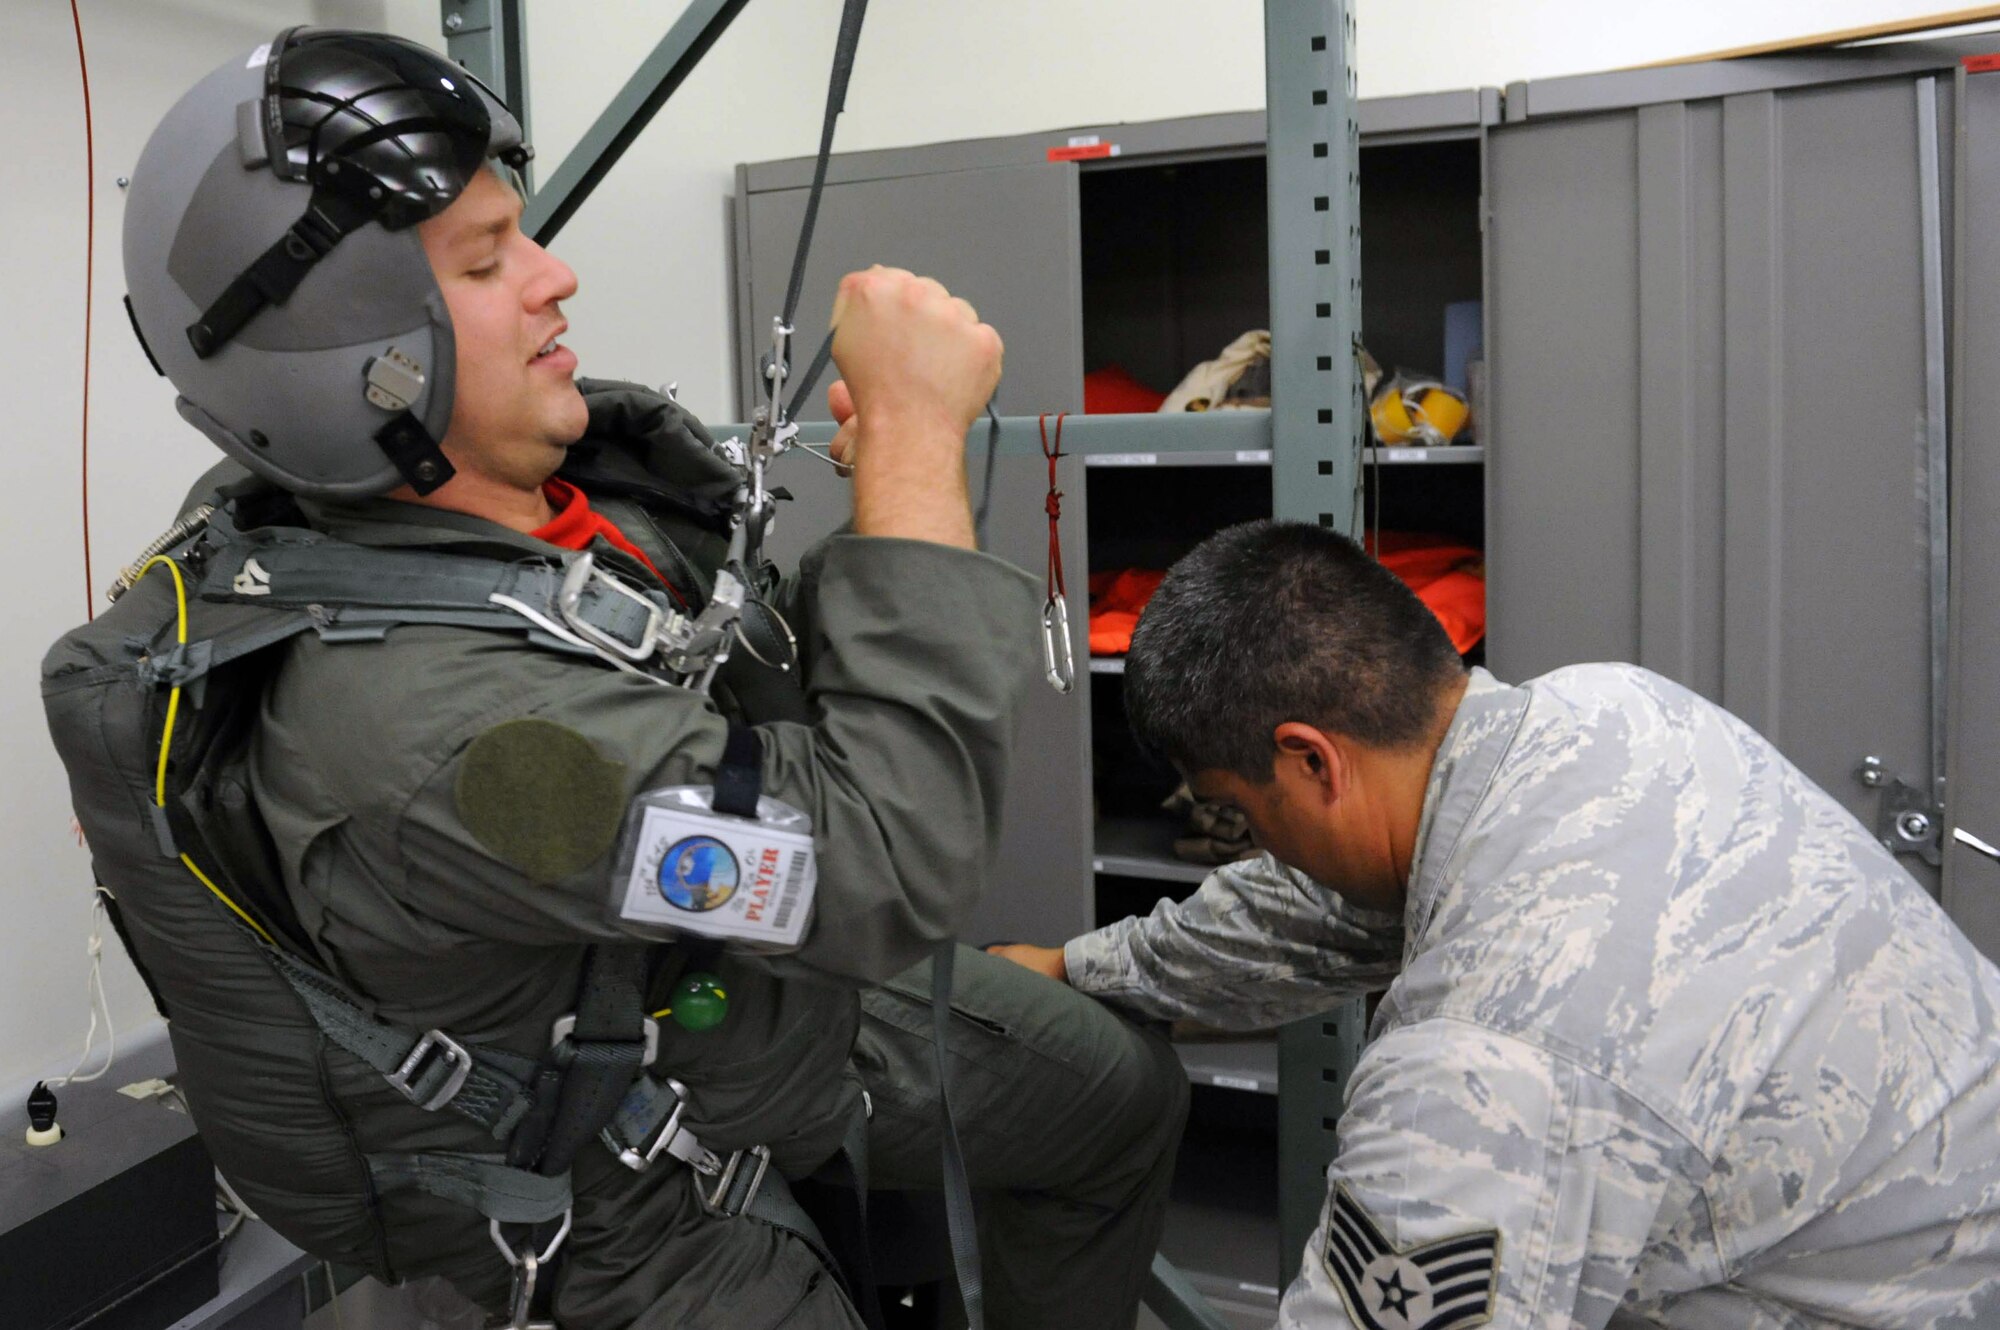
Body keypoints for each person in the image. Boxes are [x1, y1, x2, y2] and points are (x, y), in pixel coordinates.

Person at [107, 29, 1185, 1329]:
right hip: (631, 1174)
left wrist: (901, 514)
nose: (556, 278)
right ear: (360, 353)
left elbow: (735, 694)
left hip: (689, 979)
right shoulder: (464, 742)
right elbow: (886, 868)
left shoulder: (446, 521)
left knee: (1119, 1094)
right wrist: (909, 444)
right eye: (489, 259)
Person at [993, 520, 2000, 1329]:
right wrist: (1083, 969)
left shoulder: (1482, 1063)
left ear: (1310, 761)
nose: (1266, 848)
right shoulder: (1602, 711)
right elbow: (1316, 911)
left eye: (1249, 819)